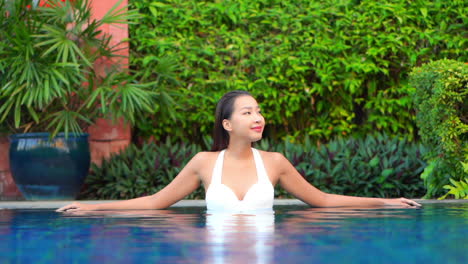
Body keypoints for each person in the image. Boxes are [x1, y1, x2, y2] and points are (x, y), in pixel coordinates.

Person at [57, 90, 421, 213]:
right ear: (228, 124)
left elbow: (323, 201)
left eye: (259, 111)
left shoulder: (275, 163)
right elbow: (155, 202)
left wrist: (385, 203)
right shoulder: (204, 163)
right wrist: (94, 206)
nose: (258, 118)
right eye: (248, 113)